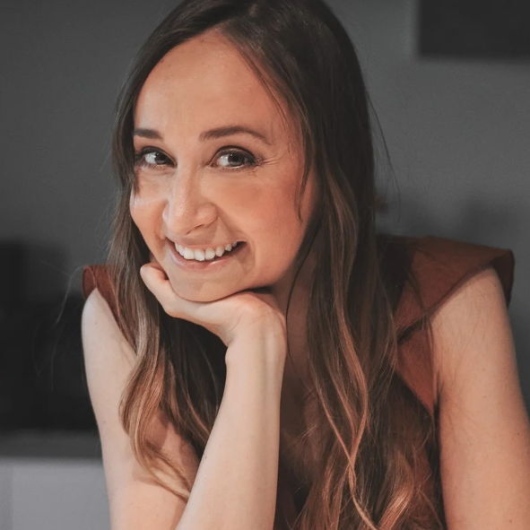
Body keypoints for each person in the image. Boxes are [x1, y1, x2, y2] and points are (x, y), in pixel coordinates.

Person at [81, 0, 530, 528]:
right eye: (156, 157)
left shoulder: (448, 302)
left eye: (233, 157)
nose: (180, 217)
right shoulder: (123, 317)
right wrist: (254, 348)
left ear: (329, 164)